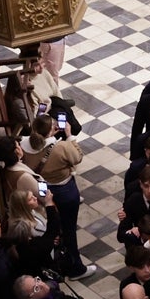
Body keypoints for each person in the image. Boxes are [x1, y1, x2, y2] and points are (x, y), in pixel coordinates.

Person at [23, 114, 95, 281]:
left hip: (42, 190)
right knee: (69, 230)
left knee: (55, 227)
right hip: (64, 191)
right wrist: (69, 135)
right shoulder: (60, 146)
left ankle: (59, 262)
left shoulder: (24, 144)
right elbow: (78, 157)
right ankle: (76, 268)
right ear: (52, 130)